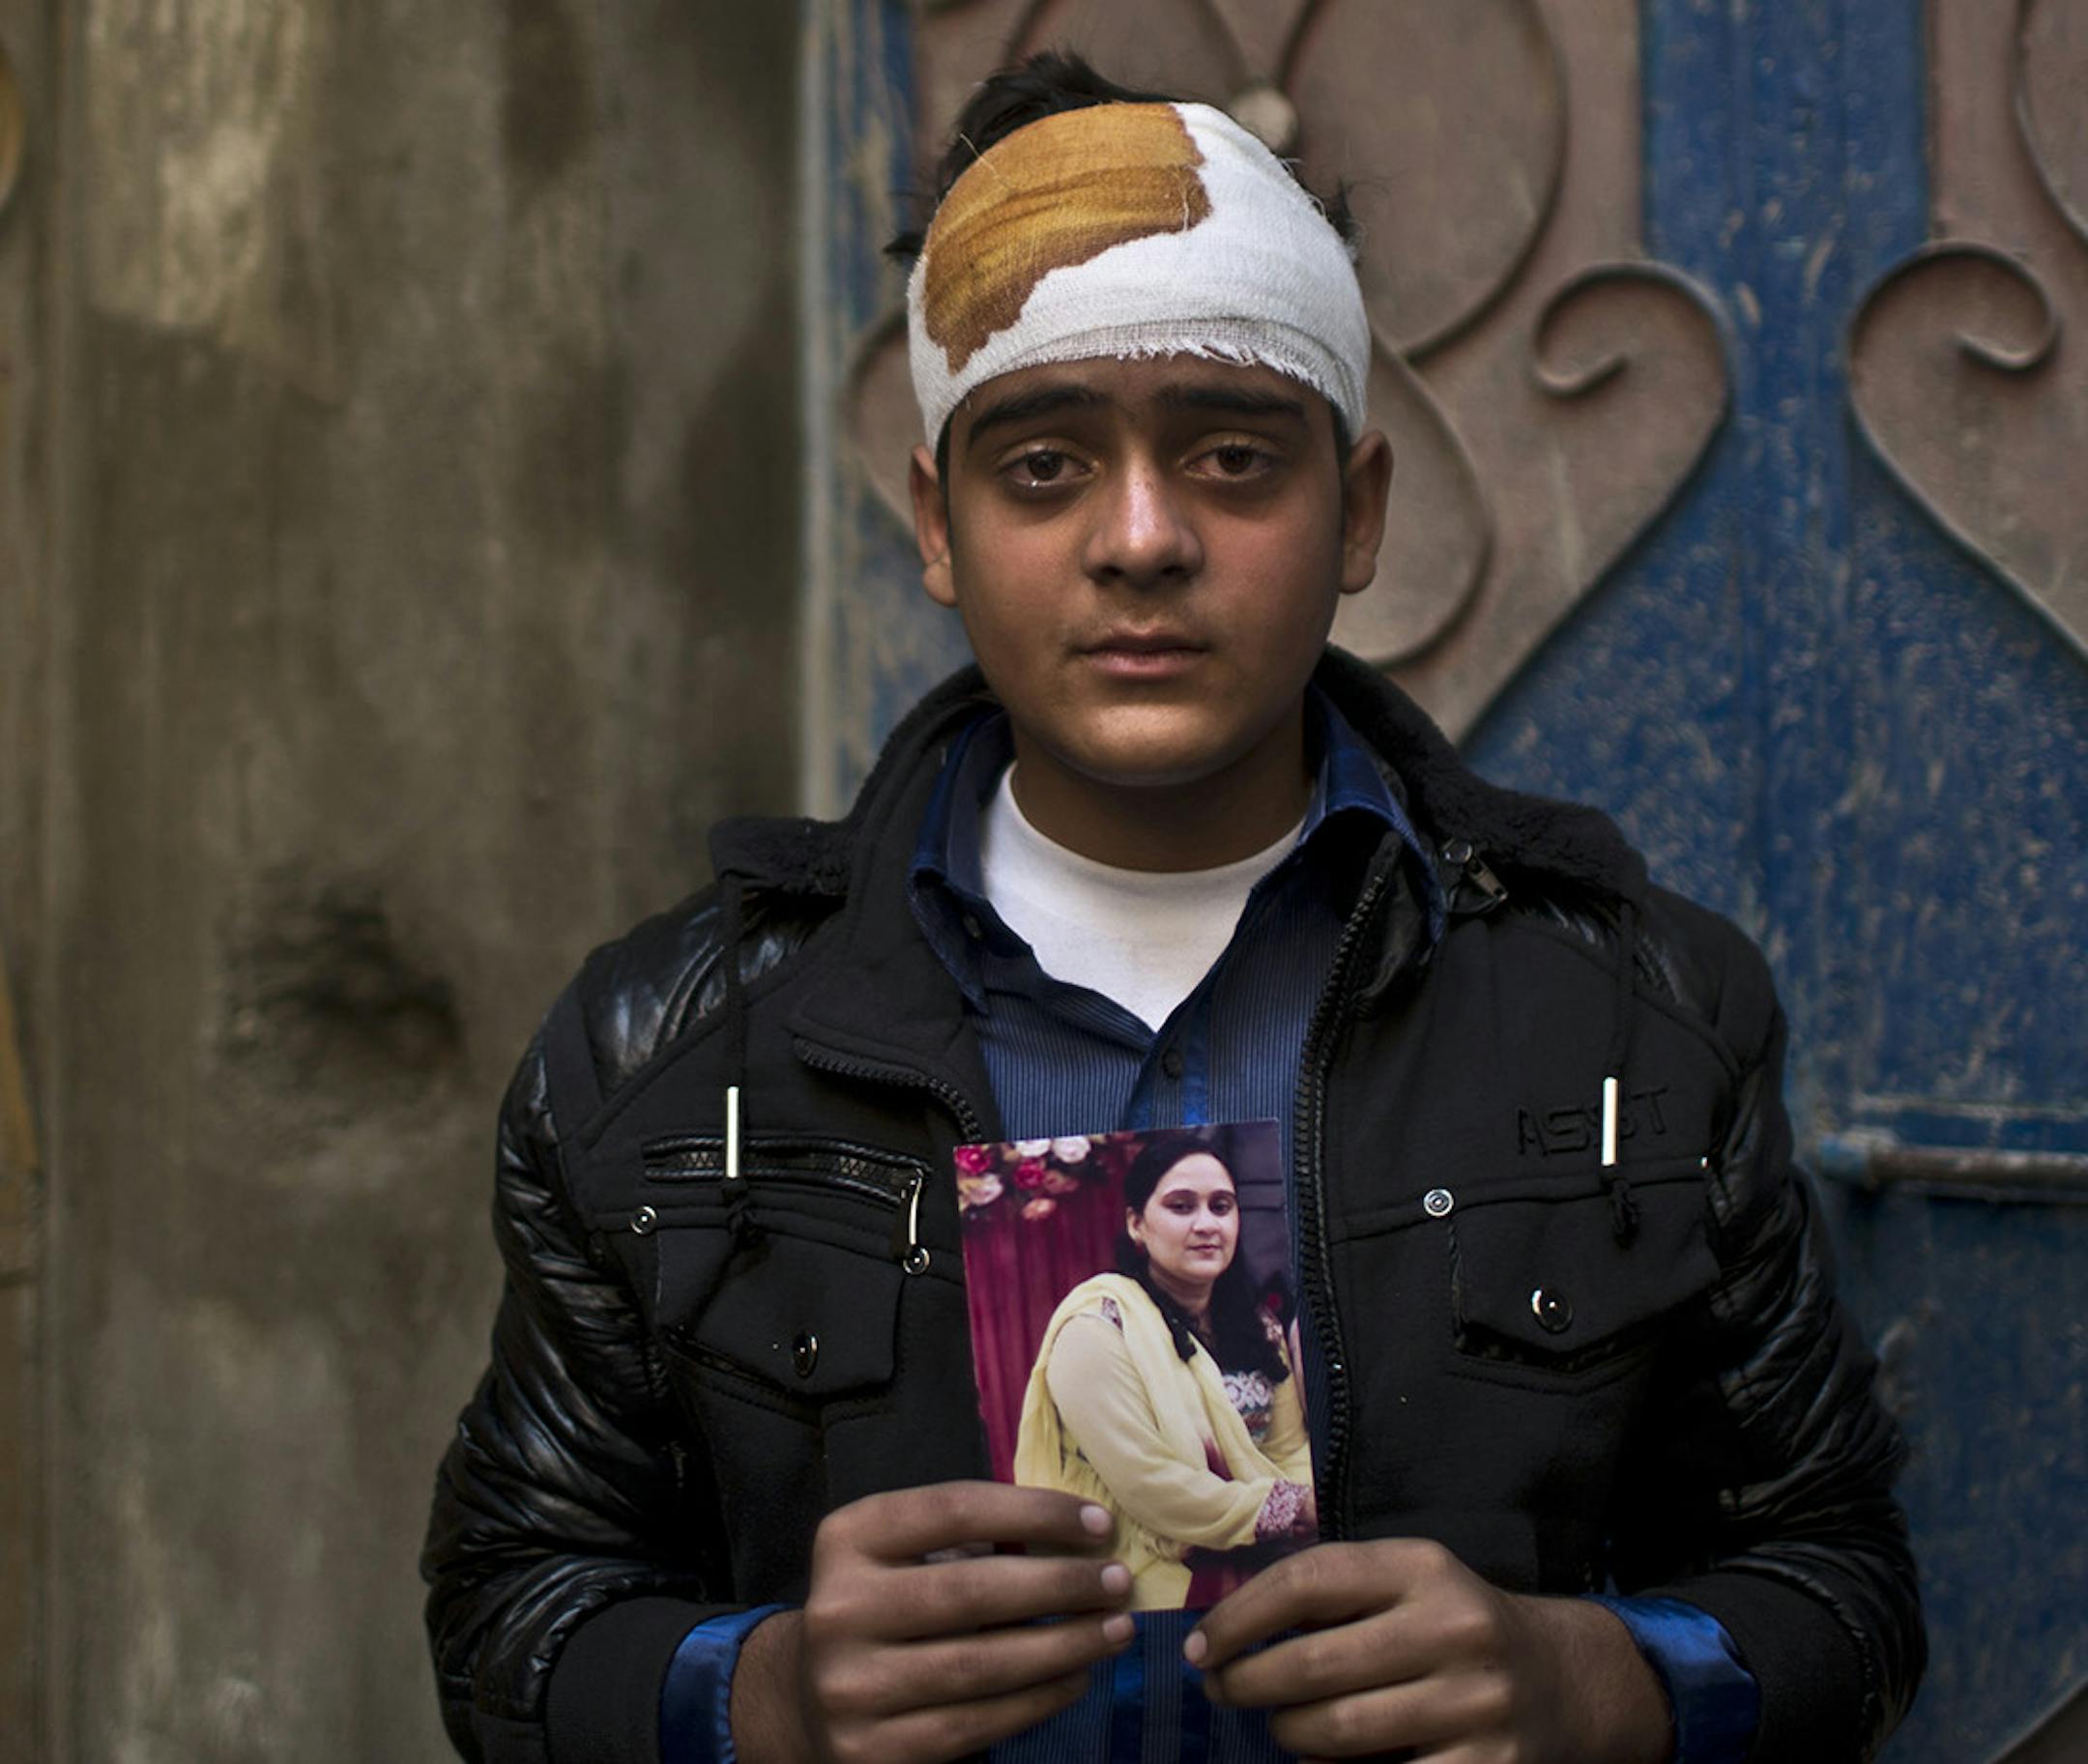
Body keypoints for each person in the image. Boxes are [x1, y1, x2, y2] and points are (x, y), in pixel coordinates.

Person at [422, 50, 1924, 1764]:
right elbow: (506, 1610)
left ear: (1355, 511)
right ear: (937, 520)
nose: (1141, 540)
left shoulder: (1636, 1020)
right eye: (1044, 468)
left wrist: (1589, 1683)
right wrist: (756, 1695)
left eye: (1230, 458)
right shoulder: (663, 1059)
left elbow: (1846, 1584)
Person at [1014, 1131, 1316, 1608]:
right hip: (1148, 1566)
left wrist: (1306, 1507)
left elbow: (1288, 1446)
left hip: (1267, 1548)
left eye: (1221, 1206)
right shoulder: (1097, 1328)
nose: (1207, 1224)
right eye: (1181, 1206)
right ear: (1137, 1224)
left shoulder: (1257, 1325)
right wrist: (1289, 1509)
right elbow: (1149, 1483)